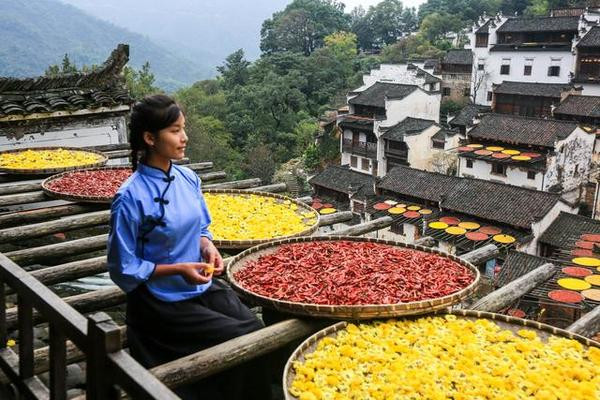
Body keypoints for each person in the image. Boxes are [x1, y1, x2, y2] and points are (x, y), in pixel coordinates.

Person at [107, 94, 271, 399]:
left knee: (258, 329)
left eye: (184, 128)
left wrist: (207, 246)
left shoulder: (188, 178)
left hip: (200, 286)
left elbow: (200, 228)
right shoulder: (129, 197)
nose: (184, 138)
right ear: (149, 138)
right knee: (243, 338)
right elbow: (122, 267)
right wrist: (178, 268)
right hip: (160, 300)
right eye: (174, 131)